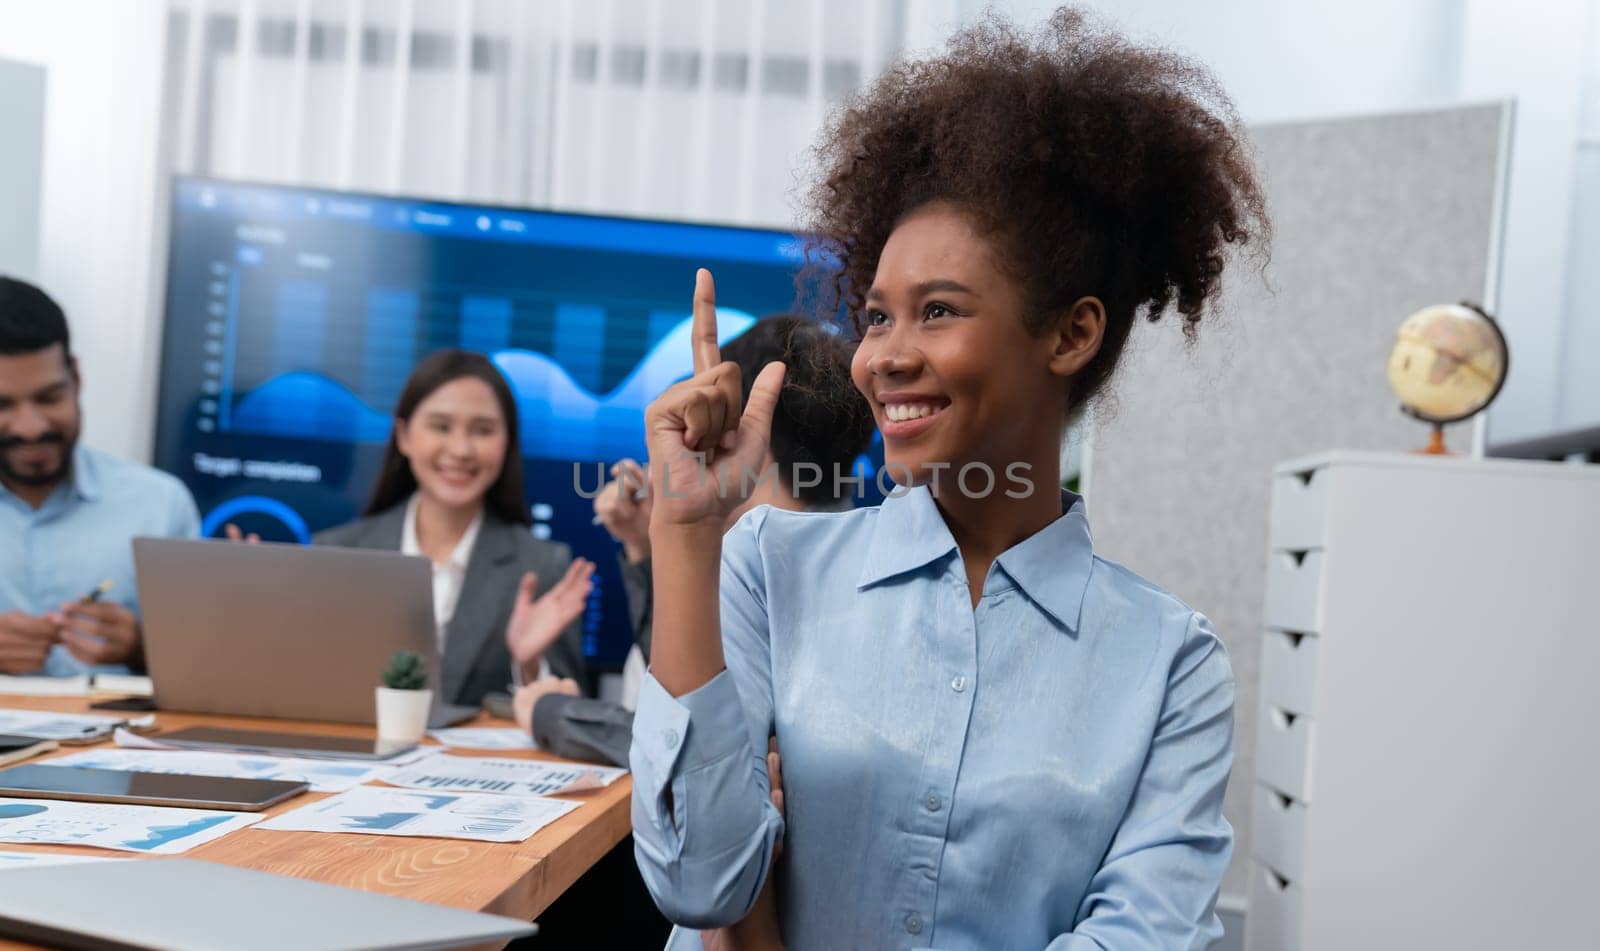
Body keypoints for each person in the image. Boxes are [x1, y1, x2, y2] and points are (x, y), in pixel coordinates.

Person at [631, 9, 1268, 951]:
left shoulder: (1170, 663)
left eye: (937, 311)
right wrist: (684, 538)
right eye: (877, 317)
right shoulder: (771, 566)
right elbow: (701, 881)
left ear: (1070, 333)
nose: (884, 356)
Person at [514, 314, 874, 767]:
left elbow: (694, 746)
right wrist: (649, 550)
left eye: (714, 415)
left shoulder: (773, 577)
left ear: (752, 434)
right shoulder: (844, 556)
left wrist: (553, 713)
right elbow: (682, 686)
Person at [310, 349, 592, 707]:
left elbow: (574, 714)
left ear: (507, 443)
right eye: (441, 427)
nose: (460, 449)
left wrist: (528, 664)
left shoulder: (542, 565)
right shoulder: (336, 555)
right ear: (404, 436)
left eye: (483, 430)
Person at [0, 277, 200, 677]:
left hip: (118, 739)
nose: (30, 427)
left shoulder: (158, 503)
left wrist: (142, 647)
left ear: (76, 377)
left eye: (49, 397)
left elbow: (206, 668)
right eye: (2, 405)